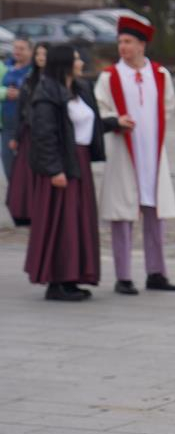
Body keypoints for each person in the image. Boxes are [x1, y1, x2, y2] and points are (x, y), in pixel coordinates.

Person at [94, 16, 175, 295]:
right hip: (124, 153)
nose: (123, 46)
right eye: (120, 41)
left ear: (142, 45)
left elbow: (168, 107)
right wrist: (115, 120)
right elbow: (100, 109)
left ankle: (156, 272)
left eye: (128, 41)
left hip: (152, 153)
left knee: (156, 215)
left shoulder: (160, 74)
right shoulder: (110, 76)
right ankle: (123, 276)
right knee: (122, 215)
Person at [24, 45, 117, 301]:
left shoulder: (80, 89)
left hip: (80, 162)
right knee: (61, 223)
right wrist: (54, 169)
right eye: (76, 59)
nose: (80, 62)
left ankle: (73, 277)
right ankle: (57, 281)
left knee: (78, 221)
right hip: (61, 164)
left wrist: (115, 123)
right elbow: (43, 134)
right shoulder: (46, 92)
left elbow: (90, 123)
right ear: (64, 62)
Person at [5, 42, 47, 226]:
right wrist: (17, 135)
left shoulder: (53, 80)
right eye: (38, 54)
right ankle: (25, 211)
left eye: (44, 54)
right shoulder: (30, 79)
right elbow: (22, 109)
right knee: (22, 174)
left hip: (45, 133)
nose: (40, 58)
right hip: (27, 131)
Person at [2, 38, 33, 183]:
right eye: (15, 48)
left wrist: (22, 94)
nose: (17, 52)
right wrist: (4, 92)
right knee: (8, 161)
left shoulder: (33, 70)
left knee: (26, 163)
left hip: (27, 123)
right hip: (7, 124)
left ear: (30, 51)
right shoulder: (5, 67)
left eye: (21, 49)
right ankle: (14, 191)